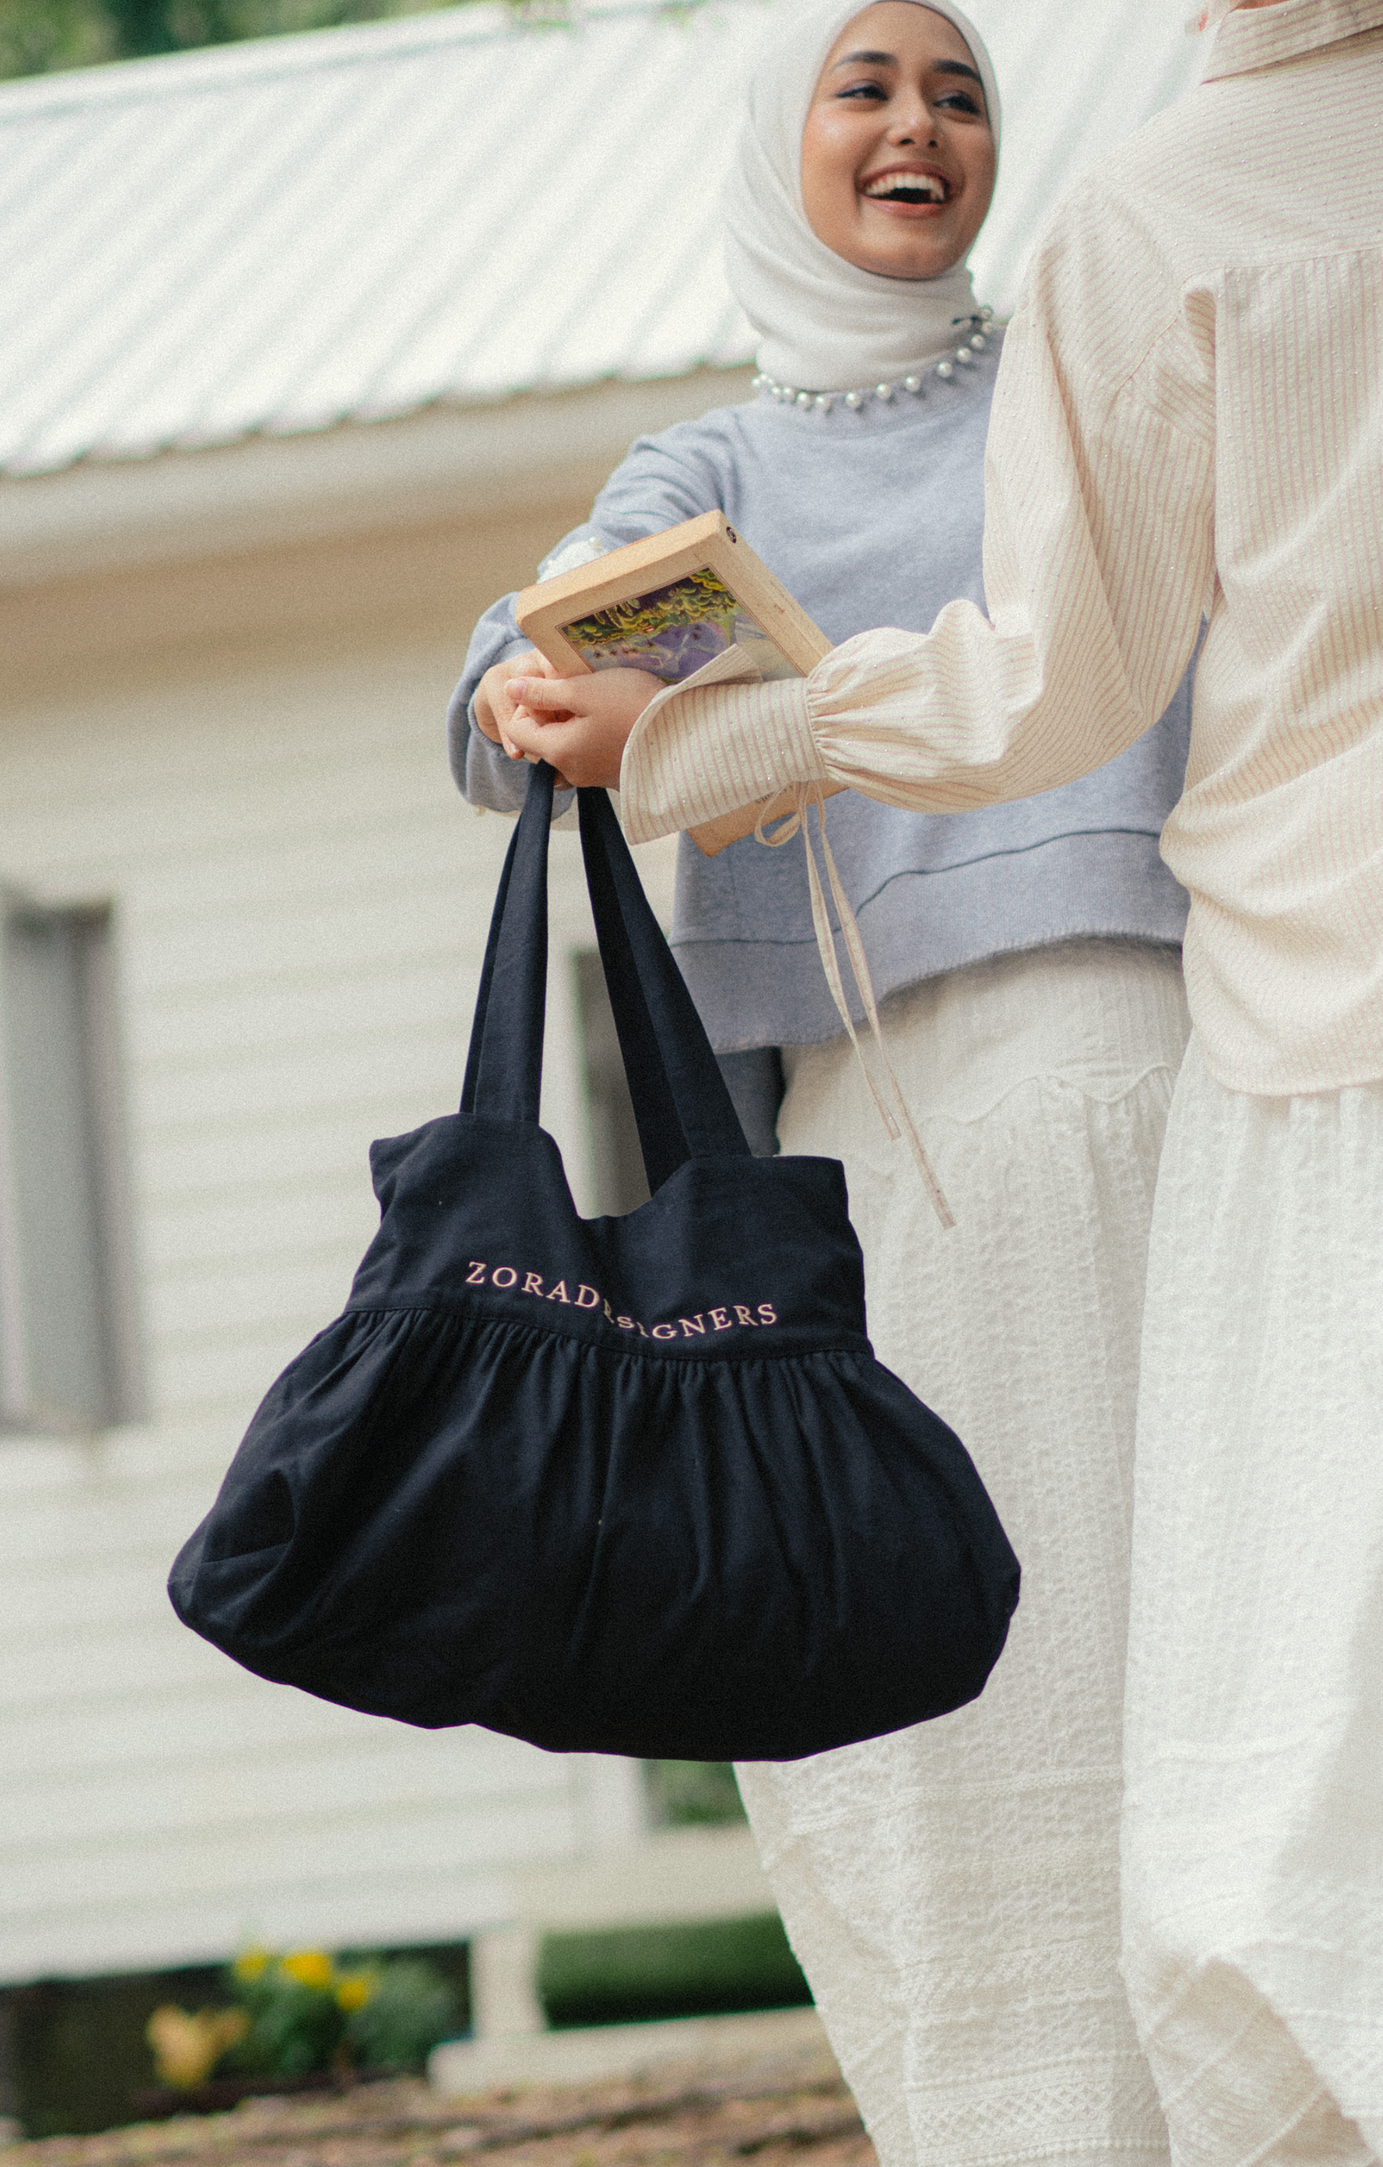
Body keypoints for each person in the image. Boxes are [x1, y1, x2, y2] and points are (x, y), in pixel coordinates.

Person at [501, 0, 1383, 2159]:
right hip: (892, 1152)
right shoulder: (711, 476)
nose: (918, 125)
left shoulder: (1111, 287)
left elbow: (1093, 650)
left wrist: (742, 732)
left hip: (1196, 1078)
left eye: (957, 89)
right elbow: (513, 693)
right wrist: (584, 702)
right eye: (863, 85)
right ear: (765, 141)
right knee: (973, 1725)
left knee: (1219, 1688)